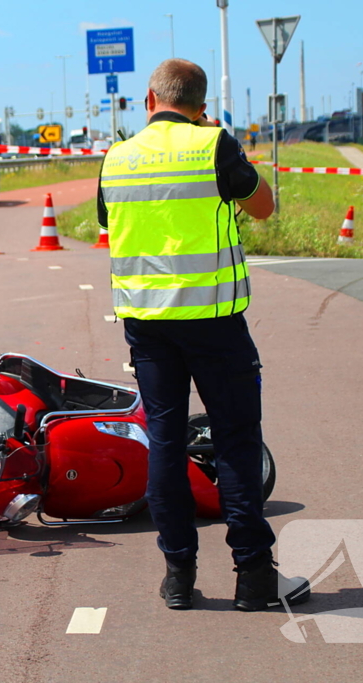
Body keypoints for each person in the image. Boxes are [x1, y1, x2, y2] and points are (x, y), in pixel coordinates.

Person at [96, 58, 310, 612]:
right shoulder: (213, 144)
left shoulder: (116, 158)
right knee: (236, 442)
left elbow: (109, 221)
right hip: (214, 322)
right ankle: (254, 578)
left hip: (147, 327)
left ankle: (178, 576)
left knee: (165, 443)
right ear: (201, 103)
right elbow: (263, 207)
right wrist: (222, 146)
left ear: (148, 101)